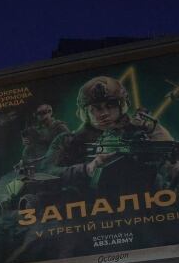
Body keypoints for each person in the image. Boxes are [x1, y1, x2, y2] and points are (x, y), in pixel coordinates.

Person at [44, 76, 172, 199]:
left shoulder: (142, 131)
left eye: (111, 105)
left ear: (122, 106)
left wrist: (152, 130)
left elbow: (170, 159)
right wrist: (87, 169)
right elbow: (46, 174)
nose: (104, 113)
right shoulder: (68, 141)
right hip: (90, 210)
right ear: (85, 112)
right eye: (95, 108)